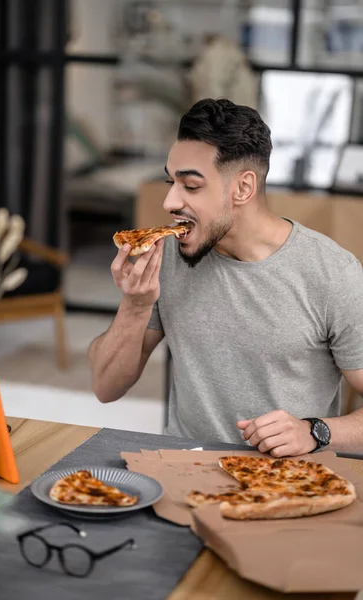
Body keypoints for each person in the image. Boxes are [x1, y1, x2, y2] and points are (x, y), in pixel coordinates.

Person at [88, 98, 363, 456]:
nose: (170, 201)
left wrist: (316, 431)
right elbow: (105, 387)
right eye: (171, 181)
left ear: (243, 188)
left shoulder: (331, 274)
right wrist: (136, 304)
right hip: (183, 470)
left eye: (190, 185)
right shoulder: (168, 255)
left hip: (288, 484)